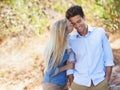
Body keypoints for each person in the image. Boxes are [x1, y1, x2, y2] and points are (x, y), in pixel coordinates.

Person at [65, 5, 114, 90]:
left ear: (84, 17)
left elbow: (109, 58)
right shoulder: (71, 40)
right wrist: (72, 82)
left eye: (79, 21)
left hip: (100, 82)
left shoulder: (99, 33)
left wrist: (107, 80)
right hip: (79, 84)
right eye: (74, 24)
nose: (77, 26)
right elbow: (70, 63)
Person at [42, 19, 75, 90]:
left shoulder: (66, 41)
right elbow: (50, 71)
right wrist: (67, 67)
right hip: (52, 85)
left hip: (63, 83)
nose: (72, 24)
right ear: (63, 30)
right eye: (70, 24)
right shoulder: (55, 49)